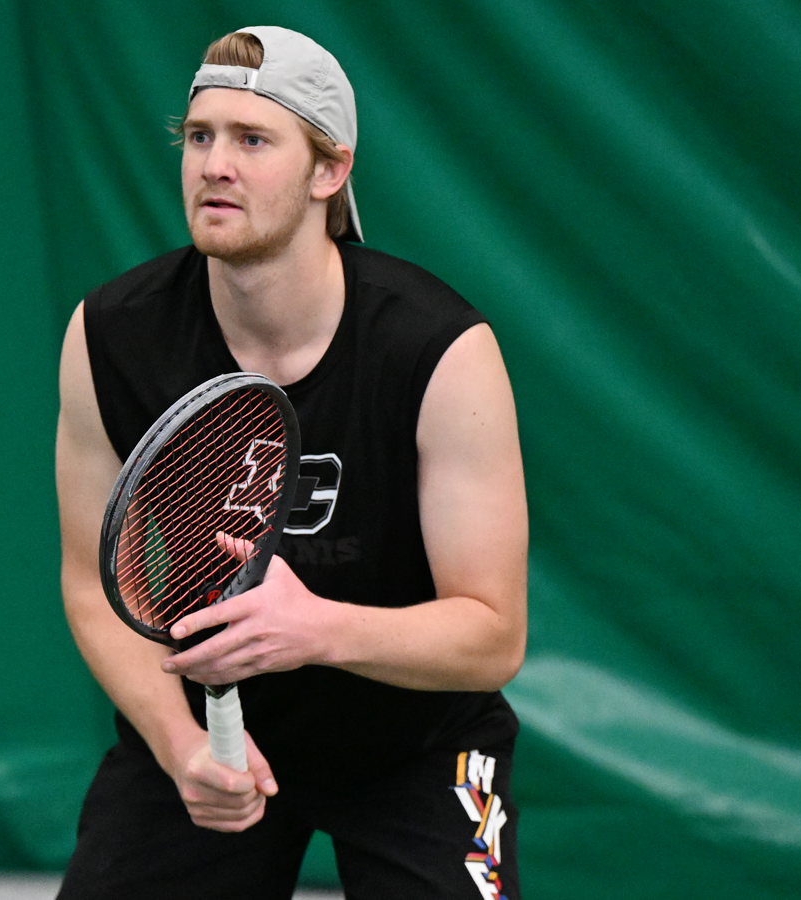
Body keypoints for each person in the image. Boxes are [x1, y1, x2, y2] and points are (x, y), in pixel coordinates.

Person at [54, 26, 527, 900]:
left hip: (419, 745)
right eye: (199, 136)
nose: (214, 165)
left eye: (252, 140)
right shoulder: (112, 334)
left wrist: (316, 630)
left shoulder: (439, 350)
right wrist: (184, 749)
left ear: (328, 171)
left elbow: (494, 637)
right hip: (216, 730)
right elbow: (92, 583)